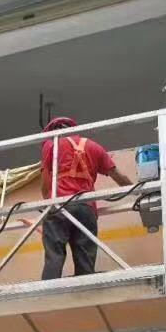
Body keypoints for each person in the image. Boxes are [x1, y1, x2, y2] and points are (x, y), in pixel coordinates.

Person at [40, 116, 132, 280]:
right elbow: (119, 177)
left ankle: (48, 288)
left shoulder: (51, 145)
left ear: (52, 132)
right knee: (85, 258)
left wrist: (49, 209)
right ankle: (85, 287)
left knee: (55, 254)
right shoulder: (93, 146)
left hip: (60, 205)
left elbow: (46, 186)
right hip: (86, 209)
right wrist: (139, 191)